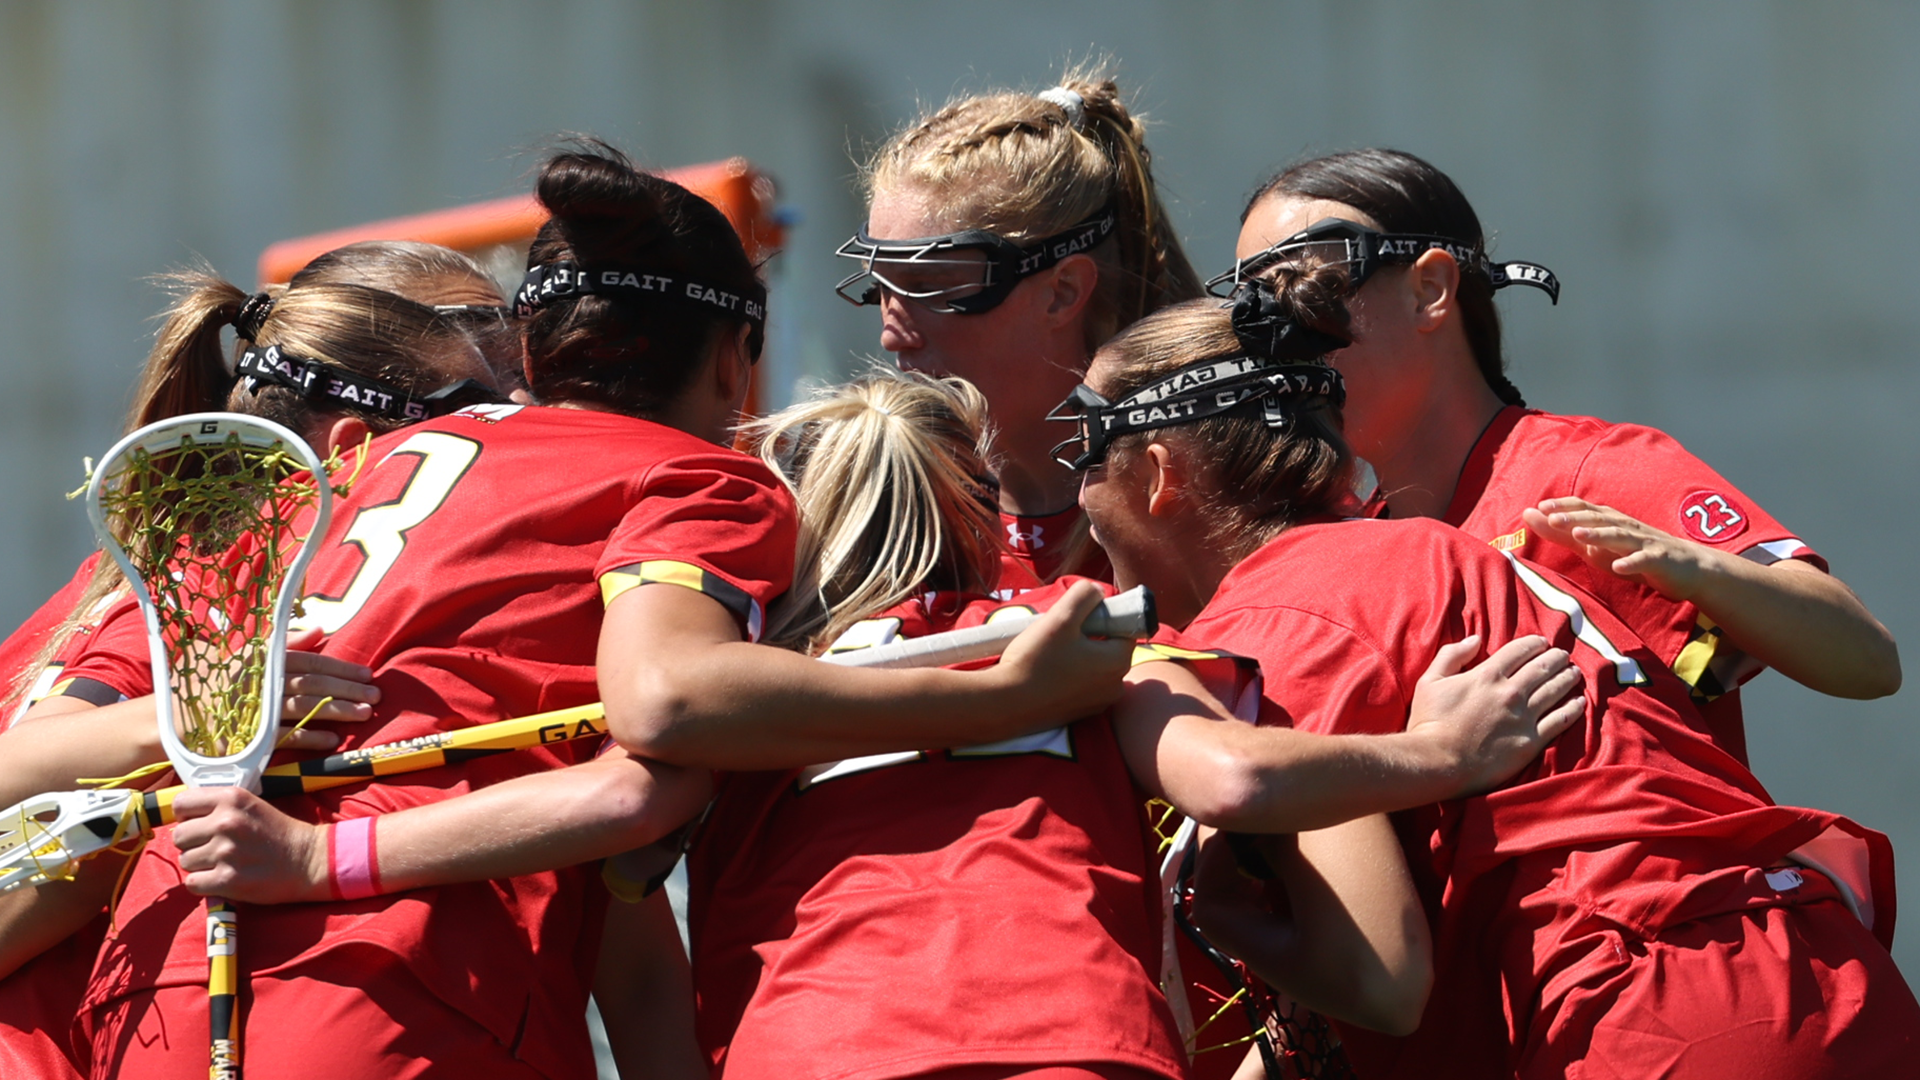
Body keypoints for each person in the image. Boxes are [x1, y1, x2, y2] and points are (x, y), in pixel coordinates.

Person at [168, 367, 1581, 1080]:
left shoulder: (733, 711)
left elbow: (614, 816)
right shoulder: (1089, 647)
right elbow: (1238, 783)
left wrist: (316, 867)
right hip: (1066, 1054)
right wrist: (1440, 758)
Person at [72, 143, 1131, 1080]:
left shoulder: (363, 459)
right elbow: (670, 704)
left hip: (160, 969)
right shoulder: (697, 478)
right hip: (397, 978)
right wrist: (1005, 696)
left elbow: (627, 916)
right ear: (735, 363)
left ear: (531, 353)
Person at [1063, 279, 1920, 1078]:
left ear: (1159, 474)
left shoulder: (1275, 620)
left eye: (1084, 458)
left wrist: (1234, 918)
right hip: (1821, 970)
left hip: (1643, 1015)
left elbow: (1381, 974)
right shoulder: (1435, 551)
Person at [0, 240, 509, 1080]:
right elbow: (22, 766)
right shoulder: (216, 567)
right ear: (360, 445)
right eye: (483, 405)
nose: (523, 424)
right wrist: (212, 712)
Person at [1219, 148, 1899, 765]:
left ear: (1430, 289)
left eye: (1304, 286)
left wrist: (1694, 567)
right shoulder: (1347, 544)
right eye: (1252, 309)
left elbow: (1867, 660)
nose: (1281, 334)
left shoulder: (1587, 472)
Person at [836, 69, 1203, 589]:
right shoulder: (874, 505)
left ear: (1063, 291)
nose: (892, 335)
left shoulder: (1207, 511)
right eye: (883, 287)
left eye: (933, 285)